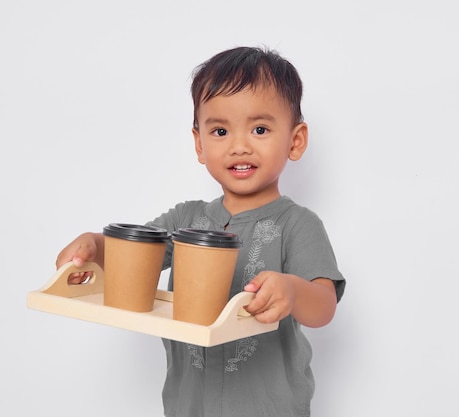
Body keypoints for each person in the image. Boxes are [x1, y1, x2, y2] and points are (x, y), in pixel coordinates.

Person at [56, 46, 346, 417]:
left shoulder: (298, 224)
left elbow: (323, 307)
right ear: (199, 144)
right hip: (188, 407)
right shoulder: (184, 221)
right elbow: (134, 253)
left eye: (260, 129)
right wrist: (94, 248)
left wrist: (293, 290)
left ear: (295, 140)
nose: (239, 146)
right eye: (220, 130)